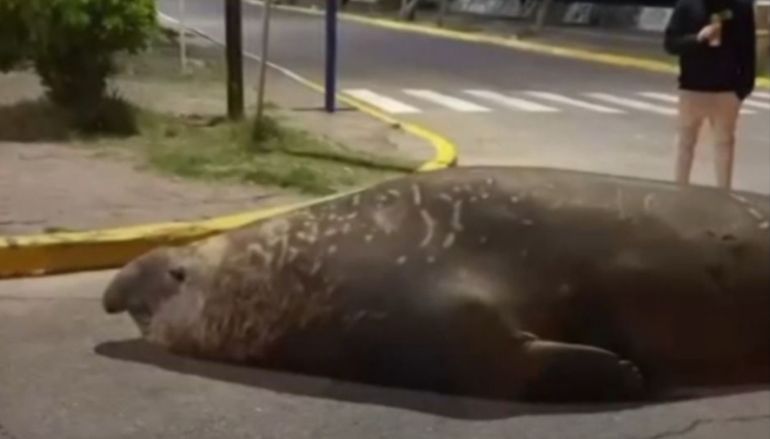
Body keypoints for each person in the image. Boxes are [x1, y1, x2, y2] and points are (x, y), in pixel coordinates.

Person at [664, 0, 756, 190]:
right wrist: (697, 38)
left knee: (724, 145)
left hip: (726, 91)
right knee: (685, 145)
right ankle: (679, 190)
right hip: (692, 88)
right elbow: (670, 43)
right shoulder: (687, 5)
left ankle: (724, 193)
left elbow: (748, 50)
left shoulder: (740, 7)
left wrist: (742, 90)